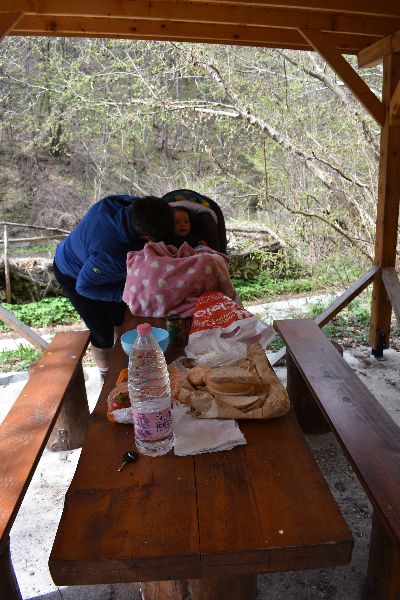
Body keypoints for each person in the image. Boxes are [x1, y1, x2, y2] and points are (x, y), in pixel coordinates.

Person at [53, 194, 174, 381]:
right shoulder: (111, 254)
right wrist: (127, 295)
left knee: (122, 318)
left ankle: (124, 365)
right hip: (74, 274)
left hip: (93, 259)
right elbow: (84, 287)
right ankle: (106, 376)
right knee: (103, 333)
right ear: (147, 237)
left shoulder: (119, 203)